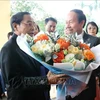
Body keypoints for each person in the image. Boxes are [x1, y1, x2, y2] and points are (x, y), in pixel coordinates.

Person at [0, 12, 68, 100]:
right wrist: (46, 80)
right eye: (29, 24)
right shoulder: (8, 49)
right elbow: (14, 81)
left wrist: (53, 73)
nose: (33, 28)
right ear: (15, 26)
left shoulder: (30, 45)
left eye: (34, 24)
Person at [57, 9, 100, 100]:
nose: (67, 26)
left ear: (81, 23)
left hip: (86, 91)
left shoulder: (95, 41)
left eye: (71, 22)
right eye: (66, 22)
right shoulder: (59, 41)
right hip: (65, 90)